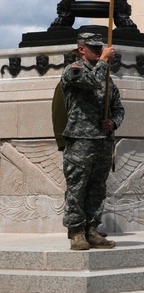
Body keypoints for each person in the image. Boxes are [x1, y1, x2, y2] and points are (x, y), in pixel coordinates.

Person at [60, 32, 124, 251]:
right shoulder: (74, 71)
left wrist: (113, 123)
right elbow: (90, 82)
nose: (98, 51)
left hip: (102, 141)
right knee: (77, 187)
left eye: (101, 48)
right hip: (81, 140)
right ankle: (76, 232)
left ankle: (92, 229)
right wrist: (104, 61)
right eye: (93, 48)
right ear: (81, 49)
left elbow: (118, 107)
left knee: (97, 188)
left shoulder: (107, 77)